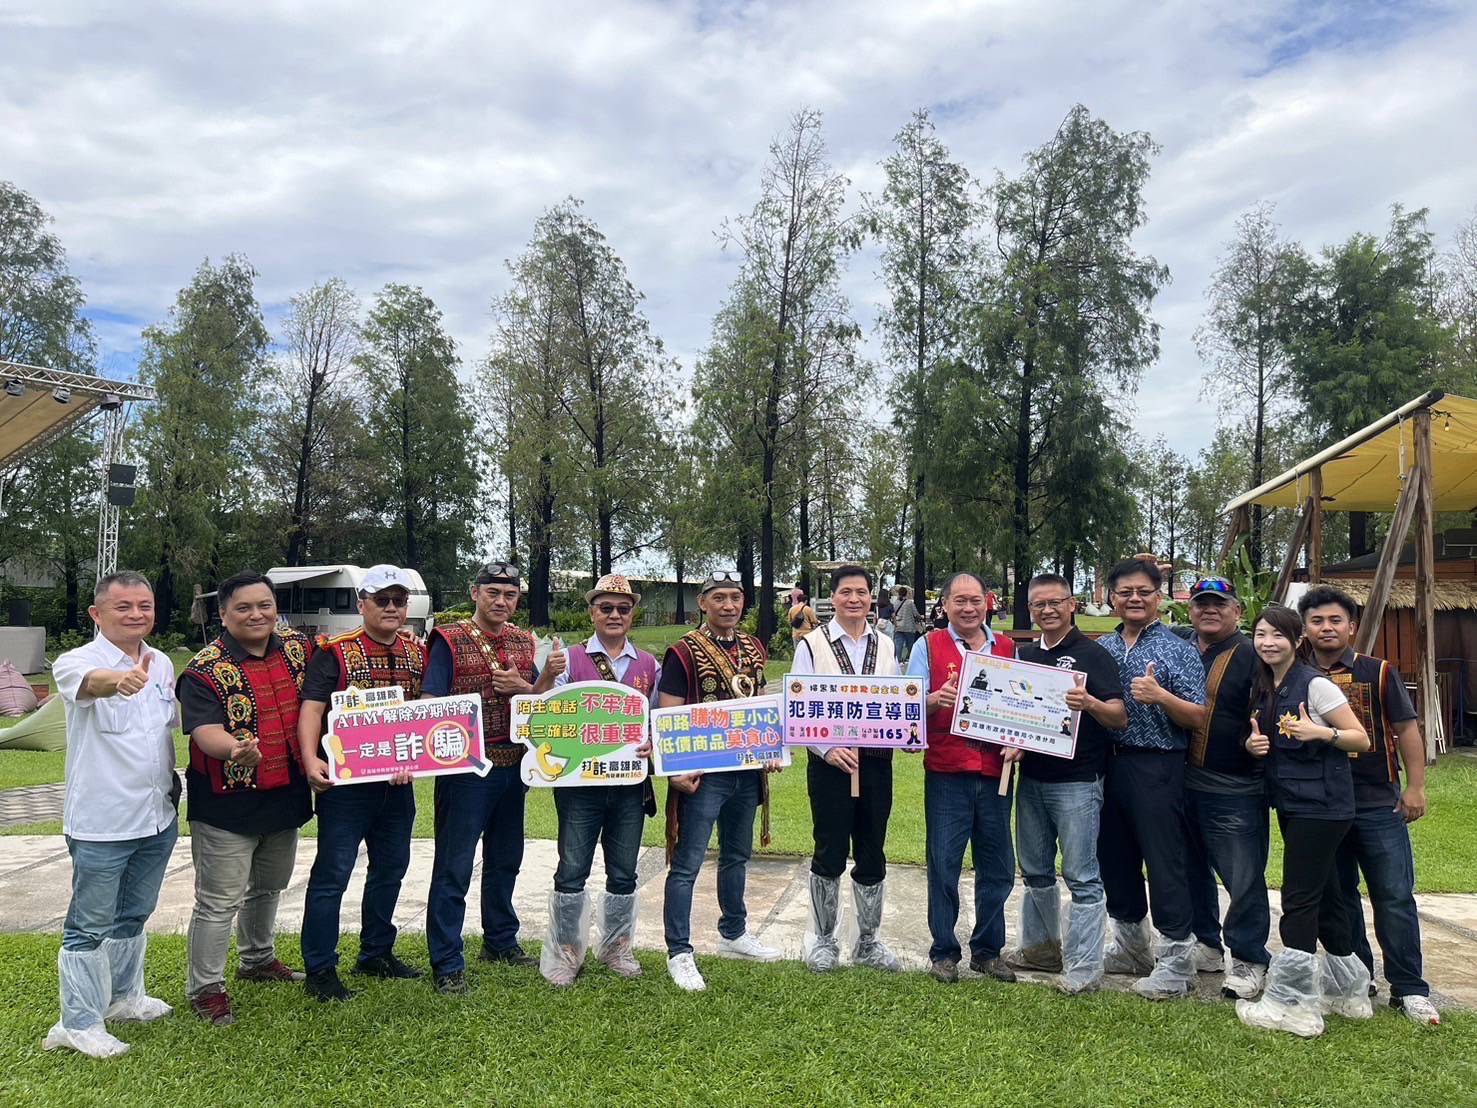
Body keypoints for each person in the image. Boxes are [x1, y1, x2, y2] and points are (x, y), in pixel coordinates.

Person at [44, 571, 178, 1058]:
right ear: (97, 614)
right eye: (124, 607)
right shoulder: (76, 661)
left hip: (156, 814)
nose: (137, 614)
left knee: (134, 914)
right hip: (102, 821)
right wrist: (118, 680)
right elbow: (91, 684)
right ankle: (78, 1022)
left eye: (144, 605)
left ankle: (125, 998)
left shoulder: (162, 663)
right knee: (88, 923)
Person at [1300, 585, 1441, 1027]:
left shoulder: (1378, 672)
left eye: (1335, 620)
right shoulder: (1295, 674)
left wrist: (1415, 787)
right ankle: (1358, 976)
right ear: (1304, 627)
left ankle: (1410, 988)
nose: (1327, 628)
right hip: (1321, 807)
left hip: (1378, 802)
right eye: (1317, 621)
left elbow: (1407, 729)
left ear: (1352, 627)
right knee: (1339, 897)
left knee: (1393, 896)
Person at [177, 572, 314, 1026]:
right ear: (223, 614)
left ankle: (256, 959)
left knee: (269, 886)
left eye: (265, 605)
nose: (256, 615)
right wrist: (234, 748)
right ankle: (205, 988)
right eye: (244, 608)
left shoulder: (298, 649)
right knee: (218, 901)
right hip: (226, 803)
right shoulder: (204, 669)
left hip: (286, 794)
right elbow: (204, 730)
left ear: (276, 608)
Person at [424, 561, 563, 995]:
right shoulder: (448, 639)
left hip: (513, 765)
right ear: (475, 593)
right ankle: (447, 961)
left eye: (510, 595)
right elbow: (430, 700)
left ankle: (500, 941)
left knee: (506, 858)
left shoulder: (525, 640)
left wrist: (536, 683)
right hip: (468, 769)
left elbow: (537, 705)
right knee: (455, 865)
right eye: (493, 593)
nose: (501, 602)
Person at [1235, 605, 1372, 1039]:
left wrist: (1322, 733)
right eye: (1260, 634)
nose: (1267, 642)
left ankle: (1293, 1004)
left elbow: (1361, 738)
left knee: (1299, 900)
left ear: (1298, 641)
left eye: (1278, 635)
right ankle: (1350, 992)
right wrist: (1255, 744)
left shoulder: (1315, 684)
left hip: (1322, 807)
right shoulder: (1266, 685)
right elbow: (1270, 739)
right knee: (1328, 894)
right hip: (1296, 804)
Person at [297, 565, 427, 1002]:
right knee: (333, 874)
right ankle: (319, 967)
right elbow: (313, 709)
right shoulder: (333, 651)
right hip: (346, 784)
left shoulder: (416, 652)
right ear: (362, 604)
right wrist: (309, 757)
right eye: (381, 600)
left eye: (398, 600)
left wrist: (417, 758)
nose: (391, 608)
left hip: (397, 784)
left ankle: (376, 951)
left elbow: (424, 715)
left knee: (391, 867)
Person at [660, 570, 780, 991]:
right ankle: (679, 950)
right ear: (703, 603)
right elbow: (669, 711)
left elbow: (762, 703)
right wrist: (675, 770)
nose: (729, 605)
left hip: (747, 771)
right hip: (703, 774)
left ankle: (734, 931)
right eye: (720, 598)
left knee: (736, 855)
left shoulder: (753, 647)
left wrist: (772, 748)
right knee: (688, 863)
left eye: (736, 597)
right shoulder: (683, 652)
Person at [1007, 573, 1126, 995]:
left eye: (1055, 602)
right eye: (1038, 604)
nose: (1047, 611)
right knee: (1035, 869)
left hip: (1078, 782)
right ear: (1030, 609)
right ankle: (1040, 949)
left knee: (1081, 874)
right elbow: (1011, 713)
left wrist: (1089, 702)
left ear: (1071, 604)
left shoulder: (1092, 656)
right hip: (1032, 779)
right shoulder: (1022, 656)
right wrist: (1012, 742)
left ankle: (1084, 967)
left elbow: (1118, 715)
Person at [1096, 557, 1207, 1000]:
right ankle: (1131, 946)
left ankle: (1177, 960)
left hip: (1158, 764)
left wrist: (1161, 696)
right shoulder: (1102, 647)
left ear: (1158, 598)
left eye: (1143, 591)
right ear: (1112, 598)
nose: (1134, 599)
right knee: (1114, 856)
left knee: (1164, 861)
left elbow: (1198, 714)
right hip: (1108, 763)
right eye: (1125, 592)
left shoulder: (1179, 648)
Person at [541, 573, 659, 987]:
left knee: (624, 871)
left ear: (632, 614)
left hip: (628, 786)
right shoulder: (568, 659)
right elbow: (542, 714)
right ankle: (564, 952)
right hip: (579, 786)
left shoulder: (648, 664)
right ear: (591, 612)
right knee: (572, 868)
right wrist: (545, 676)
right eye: (605, 607)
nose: (614, 614)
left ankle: (616, 947)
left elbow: (658, 720)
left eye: (622, 609)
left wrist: (652, 743)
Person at [790, 565, 903, 975]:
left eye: (862, 592)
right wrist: (826, 748)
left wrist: (907, 733)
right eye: (846, 592)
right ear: (832, 598)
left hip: (875, 763)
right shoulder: (812, 645)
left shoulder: (886, 645)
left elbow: (895, 703)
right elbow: (798, 709)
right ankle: (823, 939)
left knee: (872, 848)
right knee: (830, 847)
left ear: (872, 598)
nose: (854, 599)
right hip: (830, 764)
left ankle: (868, 941)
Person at [908, 571, 1017, 985]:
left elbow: (1026, 707)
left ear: (987, 602)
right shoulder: (928, 646)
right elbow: (909, 706)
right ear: (945, 605)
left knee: (998, 866)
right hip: (947, 772)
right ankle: (944, 951)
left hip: (995, 773)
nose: (968, 609)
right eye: (959, 601)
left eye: (975, 601)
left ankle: (988, 951)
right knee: (944, 863)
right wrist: (934, 699)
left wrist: (1020, 742)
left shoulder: (1006, 648)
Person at [1176, 576, 1271, 1000]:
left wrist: (1256, 745)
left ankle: (1250, 958)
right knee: (1190, 866)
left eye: (1219, 604)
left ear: (1238, 611)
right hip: (1180, 778)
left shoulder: (1255, 655)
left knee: (1242, 874)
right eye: (1201, 604)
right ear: (1190, 610)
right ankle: (1207, 943)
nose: (1209, 610)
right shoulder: (1179, 646)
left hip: (1235, 783)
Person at [893, 586, 921, 664]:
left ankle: (897, 662)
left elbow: (893, 614)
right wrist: (920, 617)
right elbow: (916, 614)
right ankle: (911, 660)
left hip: (898, 627)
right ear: (906, 593)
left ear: (898, 593)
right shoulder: (910, 603)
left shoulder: (895, 603)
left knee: (898, 645)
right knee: (910, 645)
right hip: (909, 628)